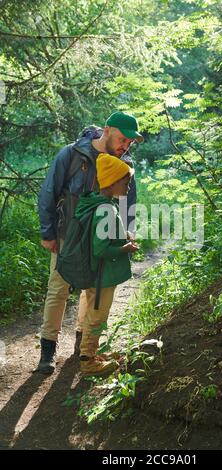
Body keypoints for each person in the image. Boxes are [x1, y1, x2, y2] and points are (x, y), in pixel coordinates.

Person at [36, 111, 143, 374]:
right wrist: (48, 233)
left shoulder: (124, 162)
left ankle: (83, 345)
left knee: (95, 288)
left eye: (129, 143)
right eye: (122, 139)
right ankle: (47, 352)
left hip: (101, 237)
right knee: (58, 289)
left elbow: (129, 202)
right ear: (107, 130)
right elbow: (49, 191)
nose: (125, 146)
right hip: (67, 236)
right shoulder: (71, 155)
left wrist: (127, 231)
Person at [78, 153, 139, 375]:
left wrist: (125, 236)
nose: (129, 186)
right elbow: (100, 249)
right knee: (97, 317)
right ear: (112, 181)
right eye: (126, 181)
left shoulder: (103, 203)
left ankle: (92, 354)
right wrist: (126, 248)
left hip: (98, 274)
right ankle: (88, 362)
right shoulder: (107, 209)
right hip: (102, 276)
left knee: (96, 315)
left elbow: (105, 237)